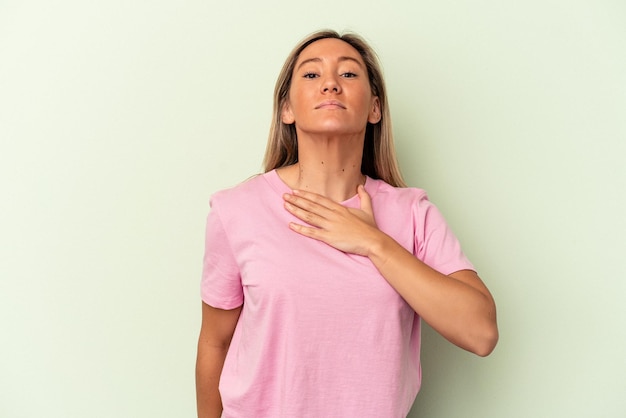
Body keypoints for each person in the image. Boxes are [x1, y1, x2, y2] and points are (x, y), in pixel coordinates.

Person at [195, 29, 498, 418]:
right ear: (286, 108)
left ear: (374, 108)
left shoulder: (412, 214)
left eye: (349, 74)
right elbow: (214, 344)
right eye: (311, 74)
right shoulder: (236, 211)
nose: (331, 85)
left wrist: (373, 242)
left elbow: (481, 332)